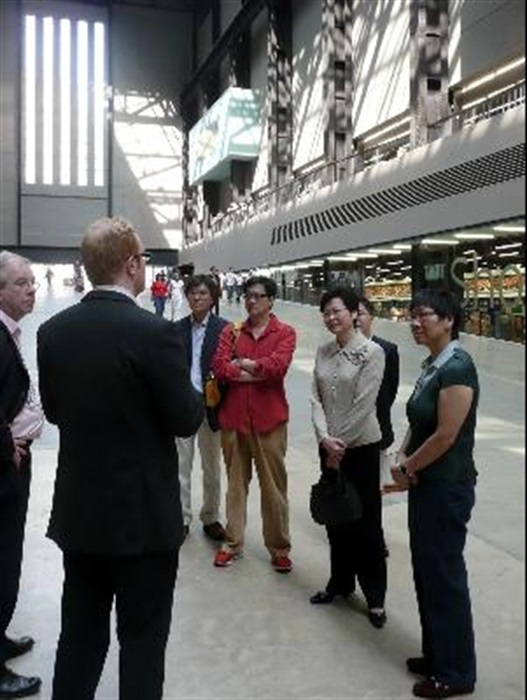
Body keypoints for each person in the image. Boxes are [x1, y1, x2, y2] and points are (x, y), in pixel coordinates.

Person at [37, 217, 204, 700]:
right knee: (142, 643)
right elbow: (184, 420)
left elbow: (54, 410)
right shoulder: (155, 334)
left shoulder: (53, 332)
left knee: (80, 638)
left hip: (82, 516)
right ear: (132, 265)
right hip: (143, 520)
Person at [385, 289, 478, 699]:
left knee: (444, 577)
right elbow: (419, 422)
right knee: (426, 573)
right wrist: (404, 456)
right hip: (426, 484)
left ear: (448, 321)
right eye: (412, 315)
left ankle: (456, 672)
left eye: (424, 315)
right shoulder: (432, 364)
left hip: (447, 487)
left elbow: (445, 435)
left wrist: (408, 467)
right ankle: (438, 653)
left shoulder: (457, 367)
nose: (415, 322)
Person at [309, 286, 388, 629]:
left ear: (355, 312)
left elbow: (365, 403)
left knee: (366, 522)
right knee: (336, 516)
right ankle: (339, 583)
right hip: (329, 447)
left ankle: (375, 598)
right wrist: (325, 439)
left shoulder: (372, 352)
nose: (331, 317)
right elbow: (315, 398)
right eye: (326, 312)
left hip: (361, 449)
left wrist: (339, 444)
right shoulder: (324, 350)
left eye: (337, 311)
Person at [211, 276, 296, 572]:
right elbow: (220, 368)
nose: (251, 301)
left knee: (274, 488)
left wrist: (244, 364)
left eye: (259, 296)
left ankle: (279, 548)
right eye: (248, 295)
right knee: (235, 486)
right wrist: (256, 370)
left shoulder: (285, 332)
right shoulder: (231, 332)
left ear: (271, 300)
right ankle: (232, 543)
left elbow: (278, 368)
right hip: (234, 421)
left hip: (269, 422)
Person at [0, 251, 44, 699]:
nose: (31, 289)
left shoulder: (8, 332)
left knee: (8, 559)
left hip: (15, 461)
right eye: (20, 283)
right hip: (4, 466)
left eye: (32, 282)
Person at [174, 274, 229, 542]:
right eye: (193, 293)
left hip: (212, 406)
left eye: (203, 293)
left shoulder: (225, 329)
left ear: (213, 298)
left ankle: (211, 517)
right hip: (184, 405)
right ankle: (182, 518)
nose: (197, 298)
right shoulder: (176, 329)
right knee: (181, 465)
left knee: (211, 467)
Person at [356, 295, 400, 556]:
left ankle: (374, 534)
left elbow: (390, 391)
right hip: (346, 433)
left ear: (371, 316)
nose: (356, 319)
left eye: (361, 313)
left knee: (374, 488)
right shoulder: (338, 348)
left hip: (376, 429)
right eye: (353, 313)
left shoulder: (388, 349)